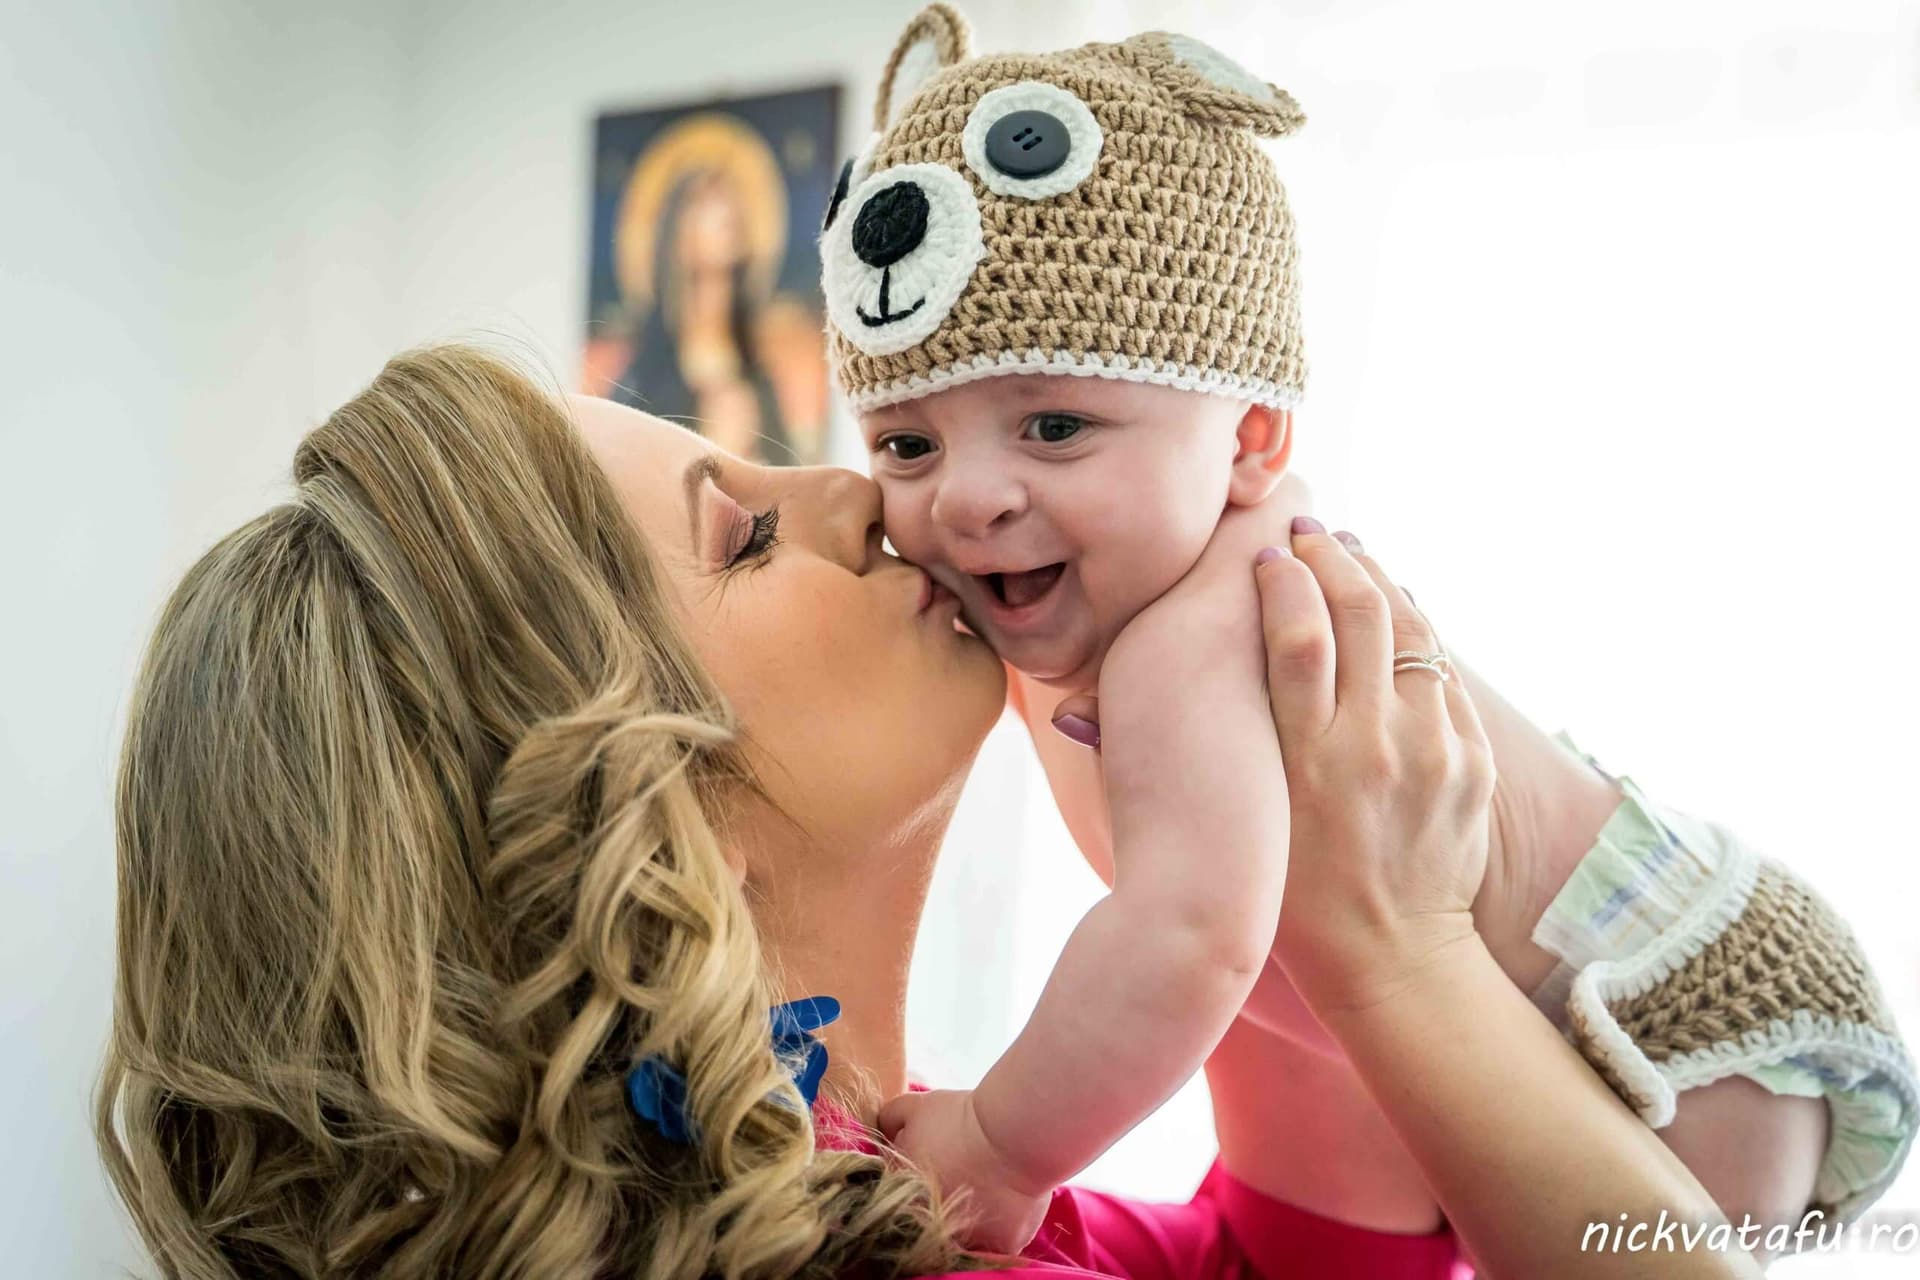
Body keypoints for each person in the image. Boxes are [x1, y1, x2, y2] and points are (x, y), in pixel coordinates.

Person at [97, 344, 1759, 1278]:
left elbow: (1317, 1261)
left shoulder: (926, 1205)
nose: (853, 492)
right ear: (641, 823)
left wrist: (1220, 810)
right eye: (743, 536)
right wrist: (1398, 955)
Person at [823, 3, 1916, 1257]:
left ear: (1249, 440)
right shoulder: (1166, 583)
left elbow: (1189, 933)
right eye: (907, 443)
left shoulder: (1202, 629)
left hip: (1677, 1029)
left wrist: (1005, 1139)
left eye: (1056, 426)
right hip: (1673, 977)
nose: (966, 496)